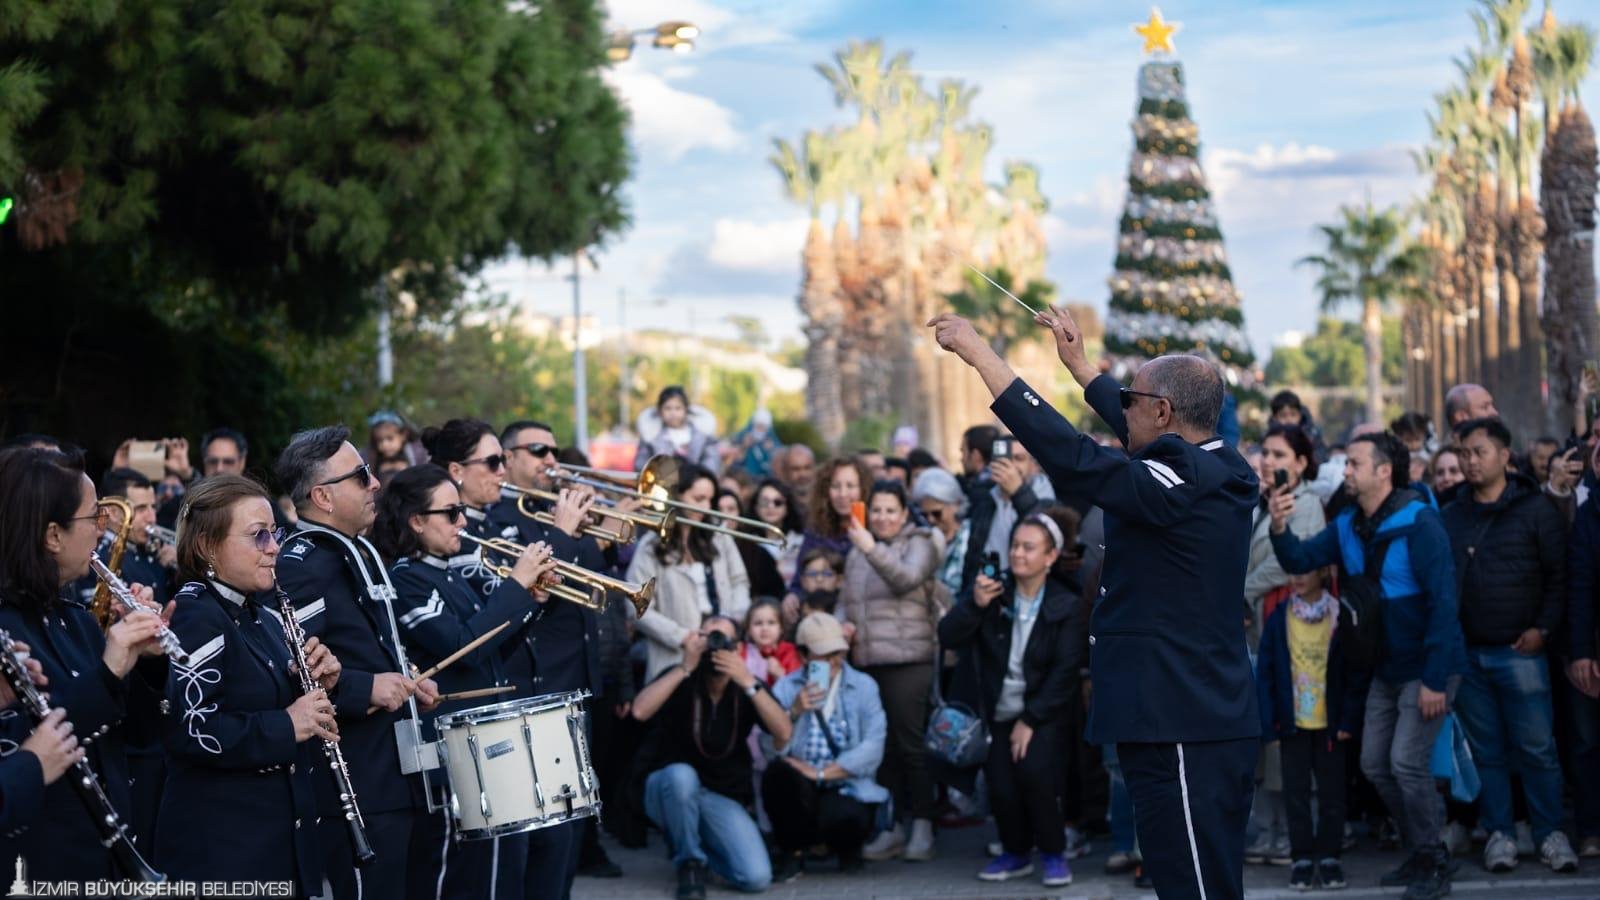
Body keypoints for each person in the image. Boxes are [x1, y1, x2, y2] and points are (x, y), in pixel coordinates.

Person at [929, 307, 1260, 900]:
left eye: (1131, 399)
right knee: (1189, 881)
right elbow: (1141, 428)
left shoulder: (1184, 480)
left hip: (1181, 720)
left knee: (1196, 887)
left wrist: (982, 357)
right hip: (1181, 715)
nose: (1121, 408)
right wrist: (1080, 367)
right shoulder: (1213, 460)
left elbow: (1077, 458)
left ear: (1163, 412)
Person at [1269, 432, 1467, 900]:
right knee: (1375, 764)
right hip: (1383, 667)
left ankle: (1432, 859)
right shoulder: (1347, 524)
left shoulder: (1419, 523)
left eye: (1354, 464)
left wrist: (1435, 680)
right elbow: (1298, 558)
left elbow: (1444, 604)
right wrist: (1278, 526)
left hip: (1426, 667)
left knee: (1406, 763)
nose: (1346, 471)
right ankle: (1422, 850)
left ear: (1384, 471)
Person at [424, 418, 599, 898]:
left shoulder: (494, 522)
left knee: (559, 840)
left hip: (536, 694)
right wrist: (558, 541)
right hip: (499, 704)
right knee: (514, 859)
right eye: (493, 461)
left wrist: (575, 542)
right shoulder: (457, 541)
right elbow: (483, 629)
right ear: (456, 470)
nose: (501, 471)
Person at [373, 464, 561, 900]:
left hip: (482, 747)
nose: (462, 521)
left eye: (461, 510)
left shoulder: (448, 574)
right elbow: (464, 648)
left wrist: (531, 602)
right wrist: (515, 584)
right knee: (454, 879)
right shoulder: (406, 579)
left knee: (499, 870)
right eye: (450, 512)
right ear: (416, 521)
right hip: (449, 751)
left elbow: (490, 656)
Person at [274, 426, 442, 900]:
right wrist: (365, 688)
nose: (375, 483)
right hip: (358, 781)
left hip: (402, 775)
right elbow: (290, 664)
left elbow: (371, 646)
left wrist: (407, 678)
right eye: (361, 475)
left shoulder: (355, 548)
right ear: (323, 497)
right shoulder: (300, 563)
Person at [156, 475, 335, 895]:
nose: (274, 548)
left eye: (274, 533)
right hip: (224, 855)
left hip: (275, 847)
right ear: (207, 546)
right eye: (258, 536)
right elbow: (193, 730)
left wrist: (324, 683)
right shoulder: (196, 614)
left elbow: (276, 702)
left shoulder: (260, 615)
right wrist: (287, 724)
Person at [0, 447, 169, 881]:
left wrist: (146, 660)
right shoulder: (7, 628)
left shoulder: (77, 620)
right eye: (94, 516)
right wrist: (108, 672)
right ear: (53, 536)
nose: (102, 528)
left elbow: (139, 737)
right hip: (41, 868)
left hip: (106, 861)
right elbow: (27, 745)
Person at [1440, 417, 1579, 873]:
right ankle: (1499, 834)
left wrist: (1543, 628)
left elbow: (1559, 577)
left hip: (1522, 652)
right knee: (1487, 752)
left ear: (1504, 456)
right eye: (1464, 453)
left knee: (1537, 749)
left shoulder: (1534, 509)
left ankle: (1549, 833)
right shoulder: (1451, 513)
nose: (1469, 462)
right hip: (1469, 654)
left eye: (1479, 452)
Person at [938, 514, 1088, 888]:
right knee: (1001, 785)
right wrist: (974, 604)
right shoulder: (992, 591)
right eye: (1015, 545)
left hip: (1043, 712)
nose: (1018, 554)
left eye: (1028, 547)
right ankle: (1015, 852)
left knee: (1038, 777)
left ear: (1050, 557)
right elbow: (948, 636)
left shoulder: (1066, 604)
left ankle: (1053, 853)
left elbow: (1066, 670)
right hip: (994, 709)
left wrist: (1031, 719)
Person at [632, 616, 791, 900]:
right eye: (708, 638)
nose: (714, 647)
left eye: (722, 640)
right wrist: (685, 666)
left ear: (737, 648)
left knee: (756, 878)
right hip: (669, 789)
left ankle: (703, 851)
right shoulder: (682, 676)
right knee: (681, 777)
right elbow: (639, 711)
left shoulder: (746, 685)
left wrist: (747, 681)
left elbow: (784, 732)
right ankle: (689, 864)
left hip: (719, 797)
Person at [839, 480, 943, 862]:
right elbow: (847, 598)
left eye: (890, 510)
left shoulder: (920, 542)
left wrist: (870, 547)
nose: (882, 517)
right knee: (883, 749)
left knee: (911, 746)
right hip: (867, 661)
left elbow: (905, 579)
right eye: (877, 510)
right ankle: (893, 826)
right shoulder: (857, 549)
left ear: (903, 513)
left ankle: (924, 826)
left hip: (908, 659)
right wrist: (840, 623)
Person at [1242, 426, 1326, 868]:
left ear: (1301, 462)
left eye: (1278, 454)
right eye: (1265, 452)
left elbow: (1288, 564)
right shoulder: (1260, 503)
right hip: (1257, 628)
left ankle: (1291, 834)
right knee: (1262, 733)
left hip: (1293, 632)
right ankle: (1268, 830)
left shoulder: (1307, 504)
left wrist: (1239, 591)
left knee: (1284, 732)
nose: (1267, 460)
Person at [1254, 563, 1367, 891]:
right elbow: (1266, 673)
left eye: (1306, 570)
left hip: (1331, 725)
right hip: (1293, 725)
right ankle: (1301, 858)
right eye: (1293, 571)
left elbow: (1355, 671)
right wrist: (1270, 725)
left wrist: (1348, 719)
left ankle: (1330, 857)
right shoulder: (1280, 618)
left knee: (1333, 795)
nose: (1298, 577)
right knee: (1296, 794)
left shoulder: (1340, 615)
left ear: (1323, 573)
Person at [764, 613, 889, 882]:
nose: (833, 661)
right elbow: (769, 749)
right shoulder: (786, 687)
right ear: (804, 655)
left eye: (837, 653)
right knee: (778, 776)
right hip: (800, 782)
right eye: (824, 654)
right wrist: (793, 713)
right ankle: (793, 851)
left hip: (845, 782)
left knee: (847, 814)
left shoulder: (863, 686)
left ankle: (846, 850)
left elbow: (873, 747)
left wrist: (821, 774)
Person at [629, 463, 752, 681]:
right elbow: (636, 606)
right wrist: (682, 636)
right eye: (698, 498)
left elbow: (739, 581)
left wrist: (732, 621)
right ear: (677, 496)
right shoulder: (651, 545)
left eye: (710, 500)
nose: (706, 507)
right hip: (674, 657)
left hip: (722, 651)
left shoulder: (718, 537)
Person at [782, 459, 869, 624]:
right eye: (836, 486)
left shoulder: (874, 528)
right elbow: (800, 576)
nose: (843, 494)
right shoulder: (816, 531)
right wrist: (792, 595)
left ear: (863, 489)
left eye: (850, 486)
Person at [1566, 443, 1600, 858]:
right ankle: (1591, 828)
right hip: (1591, 648)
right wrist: (1581, 653)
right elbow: (1579, 588)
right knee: (1588, 742)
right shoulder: (1588, 515)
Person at [635, 386, 721, 474]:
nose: (673, 413)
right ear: (659, 411)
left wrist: (703, 475)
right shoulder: (651, 436)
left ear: (686, 410)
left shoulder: (702, 435)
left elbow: (711, 460)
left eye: (678, 408)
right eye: (668, 408)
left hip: (697, 478)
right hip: (662, 479)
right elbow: (641, 463)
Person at [912, 467, 970, 597]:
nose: (930, 520)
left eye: (936, 513)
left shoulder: (971, 536)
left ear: (954, 505)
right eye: (925, 514)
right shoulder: (922, 538)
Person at [717, 488, 785, 599]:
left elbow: (775, 592)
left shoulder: (757, 553)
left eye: (731, 509)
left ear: (739, 514)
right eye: (718, 509)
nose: (724, 515)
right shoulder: (701, 547)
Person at [750, 479, 806, 586]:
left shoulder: (801, 541)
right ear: (756, 507)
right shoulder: (748, 542)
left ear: (787, 507)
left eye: (778, 502)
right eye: (764, 502)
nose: (771, 507)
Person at [730, 409, 783, 480]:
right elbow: (734, 464)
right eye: (758, 426)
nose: (761, 429)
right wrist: (743, 447)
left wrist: (772, 450)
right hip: (746, 478)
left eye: (763, 427)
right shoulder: (743, 437)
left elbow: (781, 459)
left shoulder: (772, 440)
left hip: (766, 478)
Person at [775, 445, 818, 513]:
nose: (803, 474)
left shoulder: (826, 501)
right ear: (785, 471)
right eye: (796, 469)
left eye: (807, 468)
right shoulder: (777, 504)